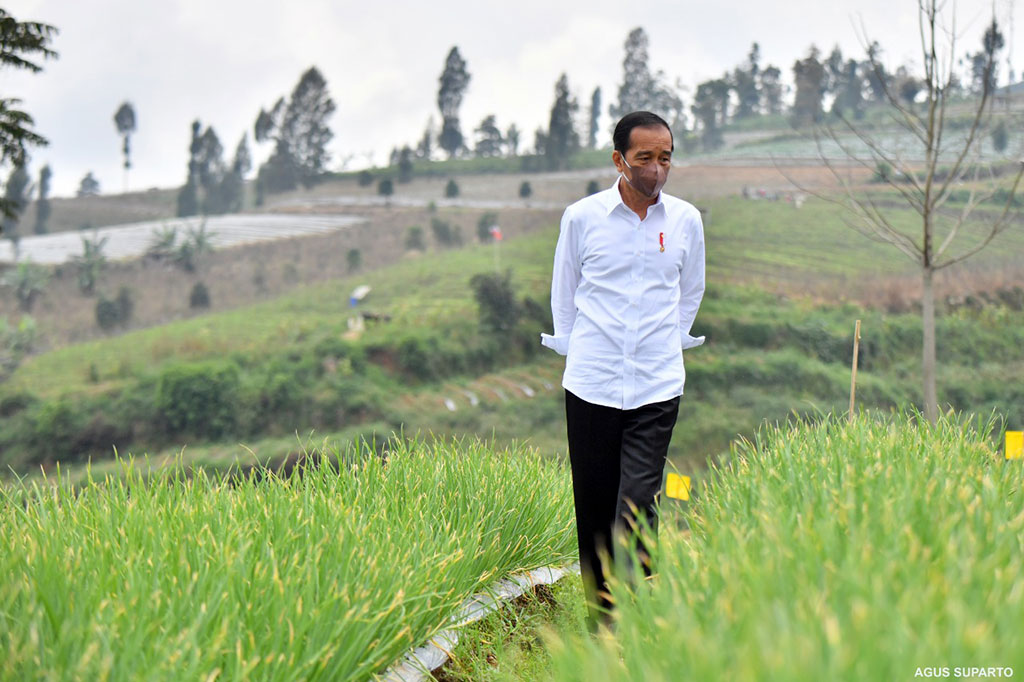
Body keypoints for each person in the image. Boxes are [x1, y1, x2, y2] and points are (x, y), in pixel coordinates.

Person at [540, 110, 706, 634]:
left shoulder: (685, 221)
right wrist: (580, 352)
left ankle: (643, 600)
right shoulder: (582, 218)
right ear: (619, 160)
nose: (657, 169)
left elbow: (690, 292)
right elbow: (564, 295)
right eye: (644, 158)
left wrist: (665, 341)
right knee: (594, 505)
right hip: (592, 383)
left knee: (638, 500)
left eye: (665, 158)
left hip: (657, 383)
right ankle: (602, 620)